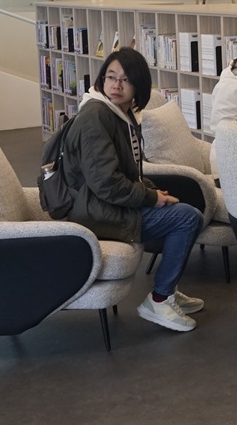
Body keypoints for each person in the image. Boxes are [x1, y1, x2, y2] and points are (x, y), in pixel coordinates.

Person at [54, 47, 206, 332]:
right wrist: (149, 197)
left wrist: (153, 192)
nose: (116, 85)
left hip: (105, 204)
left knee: (188, 212)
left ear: (139, 86)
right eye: (111, 77)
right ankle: (159, 299)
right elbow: (105, 183)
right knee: (186, 218)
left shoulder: (120, 114)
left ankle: (168, 291)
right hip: (94, 211)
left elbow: (128, 171)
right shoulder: (96, 116)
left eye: (125, 79)